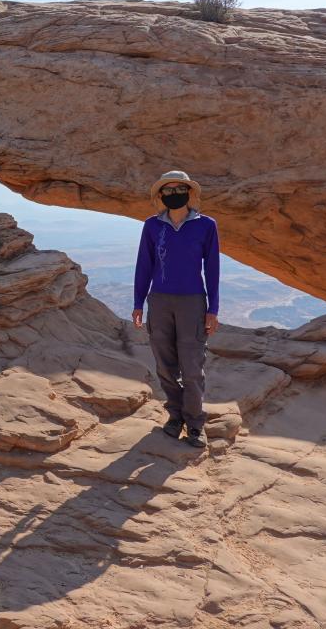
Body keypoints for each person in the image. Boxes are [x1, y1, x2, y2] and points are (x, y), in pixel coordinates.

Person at [132, 170, 220, 449]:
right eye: (167, 191)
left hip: (193, 302)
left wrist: (213, 308)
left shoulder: (206, 225)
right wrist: (137, 302)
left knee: (192, 367)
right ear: (160, 196)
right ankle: (174, 417)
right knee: (165, 365)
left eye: (177, 189)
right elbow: (144, 266)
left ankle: (195, 424)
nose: (173, 194)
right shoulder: (152, 226)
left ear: (188, 192)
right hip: (158, 301)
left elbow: (213, 269)